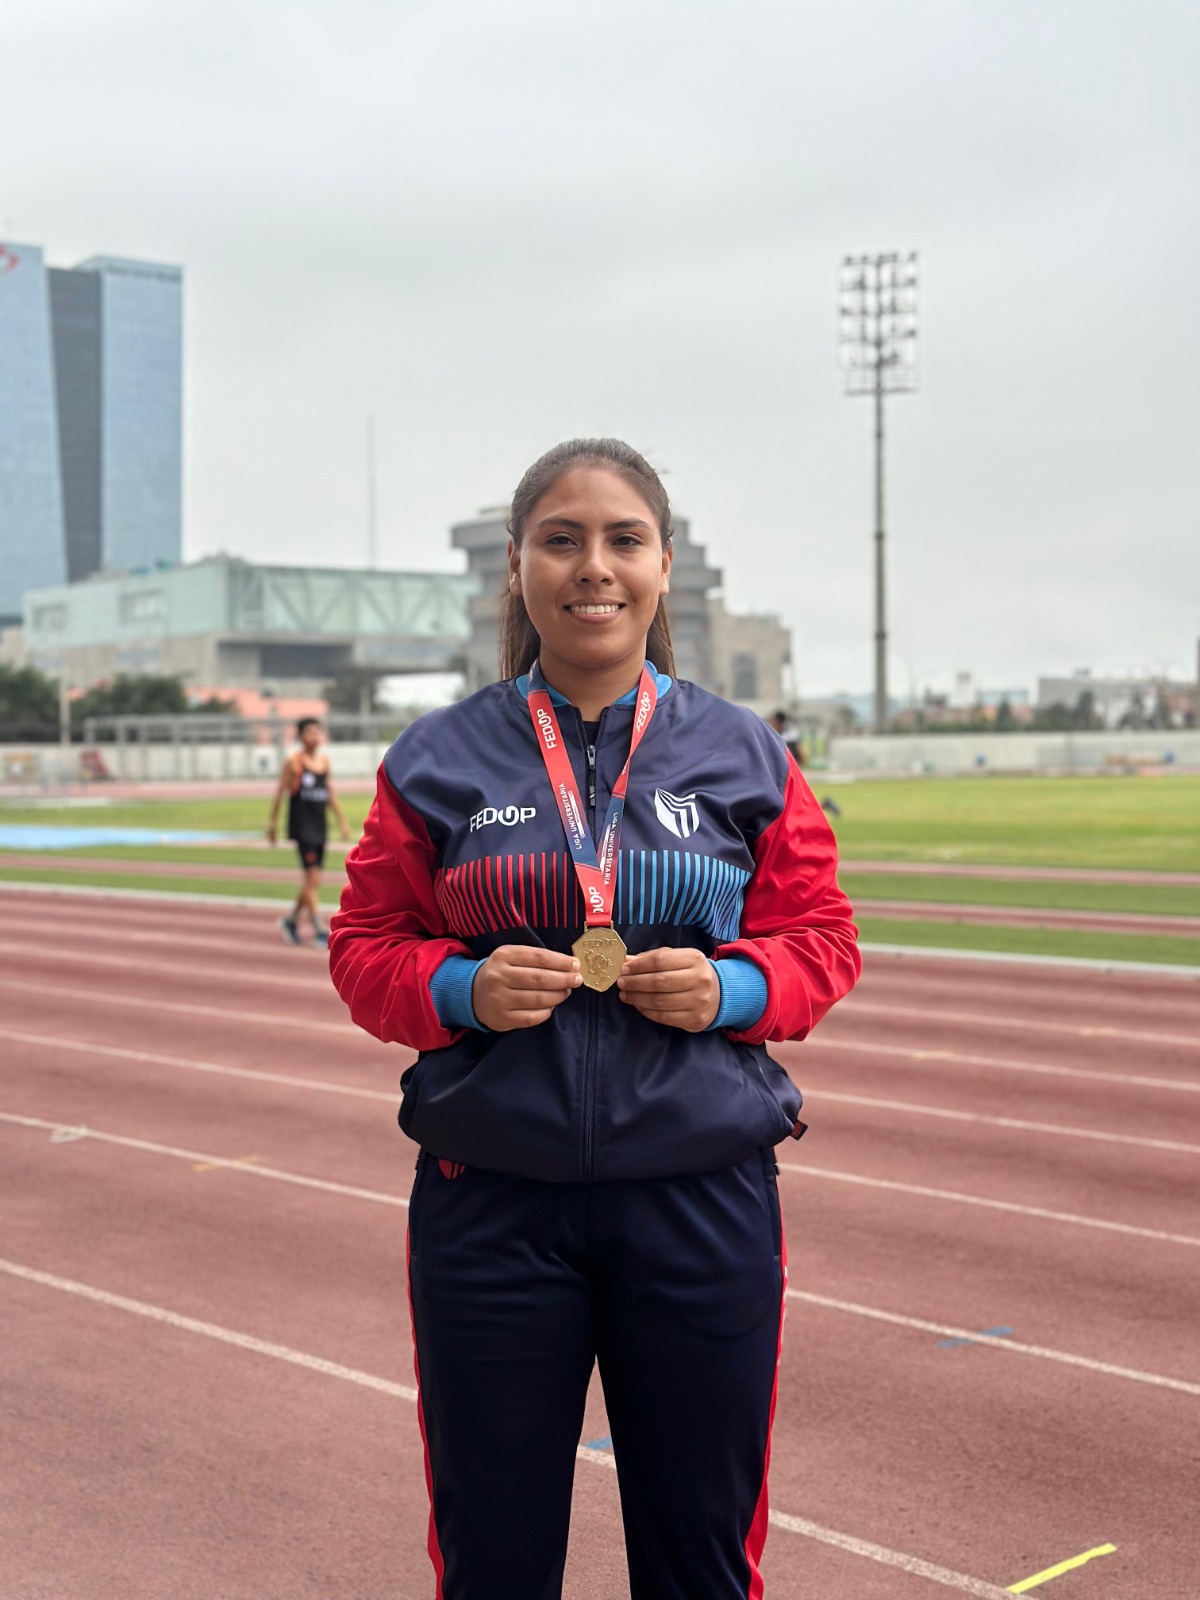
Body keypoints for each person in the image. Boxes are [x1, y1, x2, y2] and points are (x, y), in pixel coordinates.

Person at [329, 439, 860, 1600]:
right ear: (516, 568)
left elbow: (823, 940)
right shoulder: (436, 757)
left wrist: (739, 990)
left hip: (702, 1198)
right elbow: (364, 949)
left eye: (622, 539)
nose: (592, 567)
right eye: (560, 539)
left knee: (702, 1562)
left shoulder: (745, 751)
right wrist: (459, 991)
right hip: (493, 1207)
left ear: (664, 565)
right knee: (494, 1562)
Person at [267, 716, 350, 947]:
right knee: (313, 878)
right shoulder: (294, 762)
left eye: (318, 732)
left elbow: (330, 792)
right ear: (301, 736)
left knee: (313, 880)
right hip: (302, 827)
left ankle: (291, 921)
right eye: (310, 732)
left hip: (319, 826)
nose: (315, 736)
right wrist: (272, 825)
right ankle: (318, 929)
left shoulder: (324, 762)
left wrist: (341, 820)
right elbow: (279, 793)